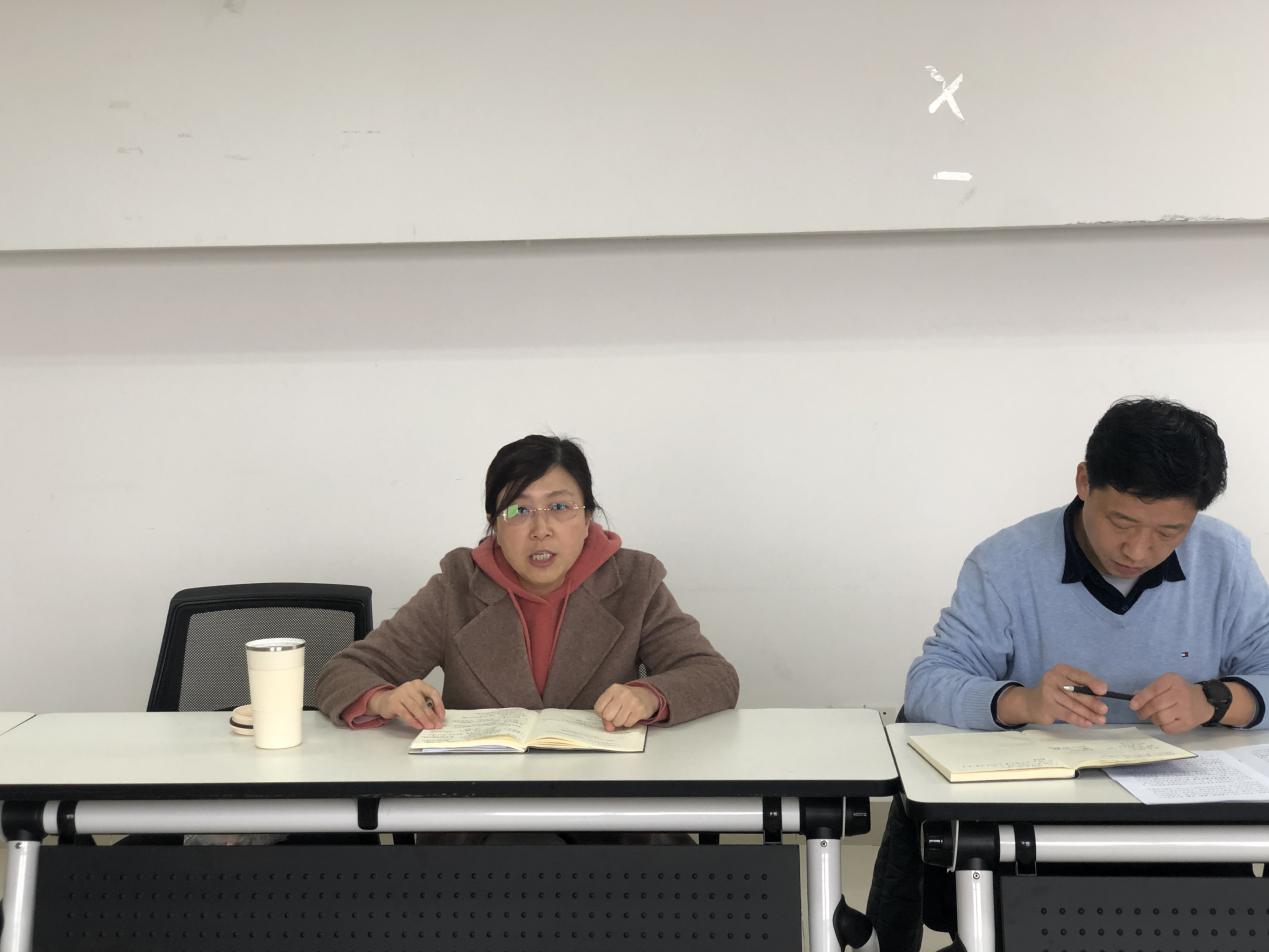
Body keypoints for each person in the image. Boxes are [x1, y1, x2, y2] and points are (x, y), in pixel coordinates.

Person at [867, 397, 1269, 952]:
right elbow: (929, 682)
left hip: (1183, 828)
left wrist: (1216, 700)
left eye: (1169, 532)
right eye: (1121, 521)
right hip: (1035, 827)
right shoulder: (1006, 561)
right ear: (1084, 482)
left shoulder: (1225, 558)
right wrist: (1023, 702)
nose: (1138, 550)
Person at [316, 433, 738, 738]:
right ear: (495, 526)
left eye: (560, 506)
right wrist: (385, 699)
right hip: (482, 804)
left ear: (587, 517)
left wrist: (649, 696)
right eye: (519, 511)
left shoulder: (634, 581)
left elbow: (715, 676)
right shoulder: (457, 586)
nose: (541, 529)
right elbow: (341, 673)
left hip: (604, 799)